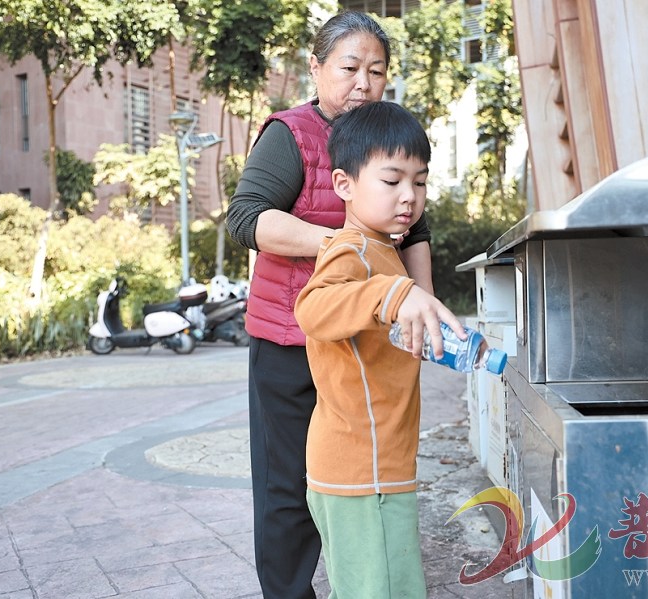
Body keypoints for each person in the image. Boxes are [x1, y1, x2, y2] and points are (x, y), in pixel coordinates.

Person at [226, 12, 442, 599]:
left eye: (376, 71)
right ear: (316, 68)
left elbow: (418, 230)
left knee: (359, 478)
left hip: (364, 350)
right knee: (288, 491)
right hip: (291, 341)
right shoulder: (291, 133)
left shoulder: (390, 135)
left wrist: (423, 311)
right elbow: (247, 218)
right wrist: (347, 247)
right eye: (349, 68)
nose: (363, 84)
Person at [294, 101, 465, 598]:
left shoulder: (384, 249)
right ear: (345, 184)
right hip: (359, 472)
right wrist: (395, 293)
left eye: (420, 181)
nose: (408, 196)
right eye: (391, 181)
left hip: (378, 465)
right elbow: (314, 308)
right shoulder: (351, 249)